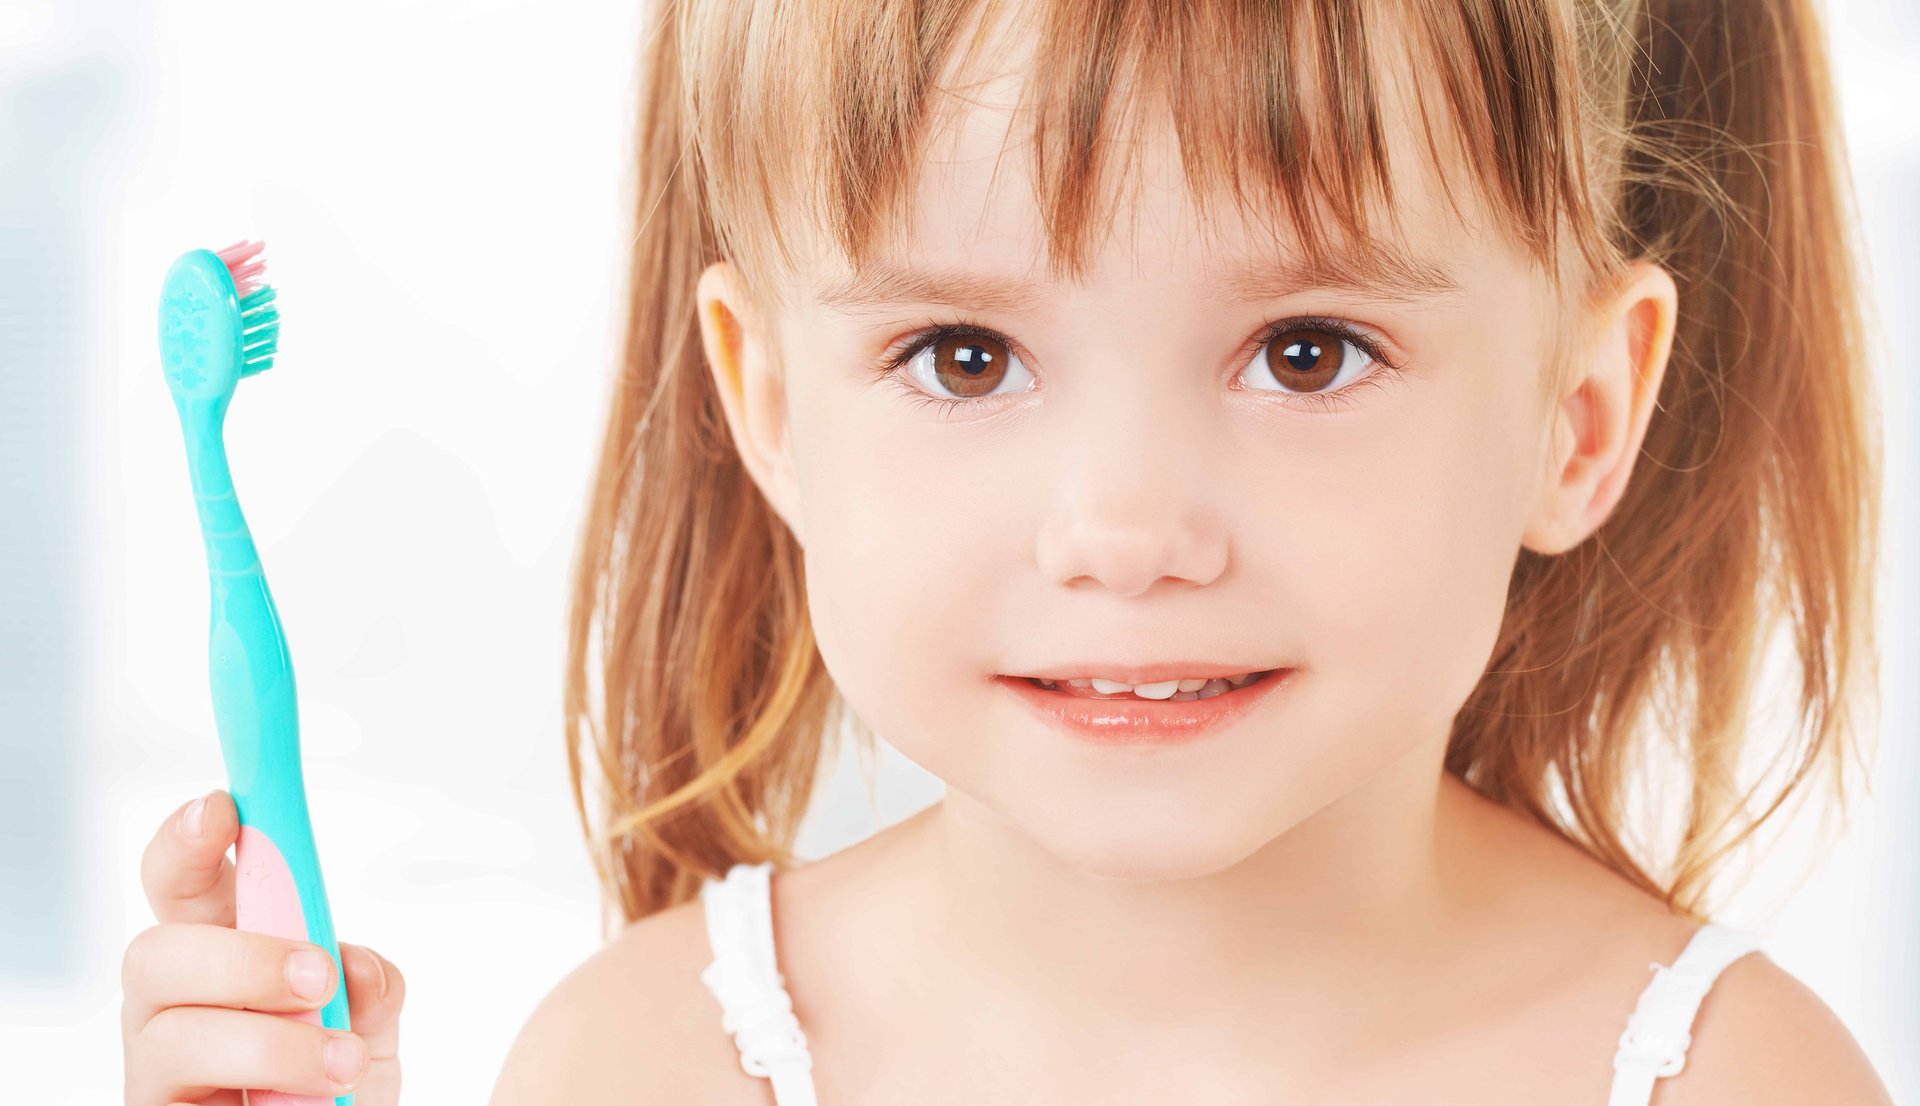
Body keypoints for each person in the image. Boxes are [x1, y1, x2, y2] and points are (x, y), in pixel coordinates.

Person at [122, 0, 1895, 1102]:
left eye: (1307, 352)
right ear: (772, 406)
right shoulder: (651, 1064)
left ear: (1579, 415)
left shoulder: (1730, 1081)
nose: (1123, 531)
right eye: (965, 358)